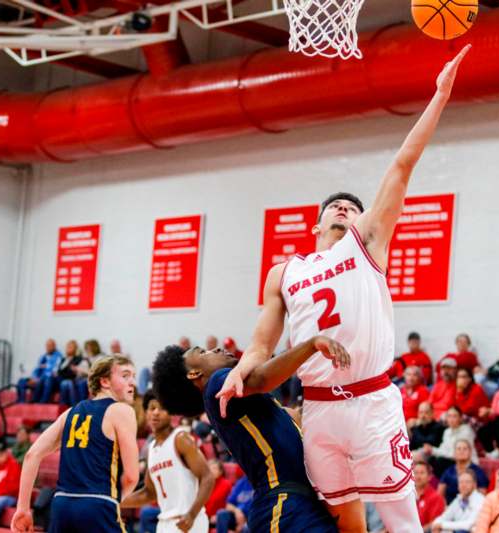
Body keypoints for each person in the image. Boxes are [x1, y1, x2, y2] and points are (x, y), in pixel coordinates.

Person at [215, 44, 470, 533]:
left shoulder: (367, 243)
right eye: (334, 206)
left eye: (351, 208)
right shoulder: (284, 272)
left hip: (372, 401)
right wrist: (240, 371)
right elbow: (262, 343)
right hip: (320, 410)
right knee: (344, 524)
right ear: (314, 225)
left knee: (402, 524)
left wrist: (439, 96)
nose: (342, 209)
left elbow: (401, 166)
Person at [153, 338, 349, 532]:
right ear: (195, 373)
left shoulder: (247, 404)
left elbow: (299, 416)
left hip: (297, 503)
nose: (217, 348)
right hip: (282, 504)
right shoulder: (217, 385)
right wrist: (311, 344)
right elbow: (263, 378)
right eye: (204, 352)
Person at [11, 354, 140, 533]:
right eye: (125, 375)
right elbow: (132, 476)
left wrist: (23, 509)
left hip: (61, 506)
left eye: (134, 376)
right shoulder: (121, 411)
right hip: (97, 504)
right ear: (105, 381)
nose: (132, 382)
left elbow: (32, 455)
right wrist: (112, 501)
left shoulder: (70, 413)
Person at [122, 391, 214, 533]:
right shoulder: (152, 449)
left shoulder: (181, 439)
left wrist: (192, 514)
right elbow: (149, 493)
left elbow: (207, 477)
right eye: (152, 408)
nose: (156, 413)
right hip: (165, 523)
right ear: (146, 413)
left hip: (188, 521)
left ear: (171, 413)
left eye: (162, 408)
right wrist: (117, 502)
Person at [427, 406, 477, 476]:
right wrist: (432, 450)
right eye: (449, 416)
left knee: (441, 462)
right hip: (451, 459)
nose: (451, 419)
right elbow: (443, 449)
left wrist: (434, 450)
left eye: (454, 416)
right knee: (432, 460)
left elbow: (457, 454)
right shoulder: (447, 431)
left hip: (466, 461)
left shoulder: (466, 430)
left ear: (460, 418)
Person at [437, 439, 488, 505]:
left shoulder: (478, 472)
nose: (462, 451)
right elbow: (439, 494)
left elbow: (482, 496)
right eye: (459, 449)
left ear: (470, 452)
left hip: (470, 508)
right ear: (454, 453)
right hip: (449, 507)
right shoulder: (448, 471)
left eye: (465, 449)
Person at [17, 339, 62, 404]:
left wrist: (39, 378)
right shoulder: (43, 357)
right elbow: (36, 369)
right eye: (47, 345)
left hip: (49, 379)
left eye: (50, 345)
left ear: (54, 346)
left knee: (46, 379)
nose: (48, 347)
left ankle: (41, 402)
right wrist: (34, 378)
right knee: (21, 381)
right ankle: (21, 402)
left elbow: (55, 370)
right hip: (39, 379)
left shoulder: (58, 356)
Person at [414, 460, 445, 530]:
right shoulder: (407, 495)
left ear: (429, 477)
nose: (418, 476)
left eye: (422, 473)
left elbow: (434, 523)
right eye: (415, 473)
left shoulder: (436, 497)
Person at [58, 340, 87, 406]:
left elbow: (72, 373)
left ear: (75, 349)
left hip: (72, 379)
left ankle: (73, 406)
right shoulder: (63, 359)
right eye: (67, 347)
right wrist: (66, 372)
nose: (68, 348)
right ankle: (63, 406)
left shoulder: (78, 359)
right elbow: (59, 372)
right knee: (65, 382)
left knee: (67, 383)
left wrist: (65, 372)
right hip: (61, 379)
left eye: (70, 347)